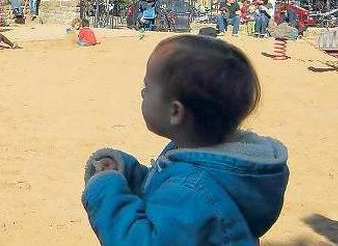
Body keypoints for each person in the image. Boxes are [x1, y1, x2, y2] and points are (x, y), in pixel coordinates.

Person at [81, 35, 289, 244]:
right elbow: (163, 194)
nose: (143, 94)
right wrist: (127, 173)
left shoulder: (191, 191)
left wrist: (107, 190)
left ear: (175, 111)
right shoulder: (210, 161)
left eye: (147, 89)